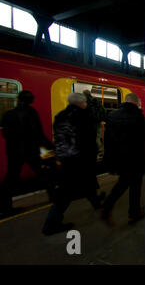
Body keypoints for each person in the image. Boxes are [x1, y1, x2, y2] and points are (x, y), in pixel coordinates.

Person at [42, 93, 103, 235]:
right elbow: (87, 138)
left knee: (88, 183)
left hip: (65, 158)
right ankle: (51, 225)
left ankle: (98, 205)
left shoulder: (60, 116)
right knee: (65, 193)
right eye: (85, 102)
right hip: (79, 159)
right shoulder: (83, 116)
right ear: (82, 103)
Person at [0, 91, 53, 218]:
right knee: (44, 174)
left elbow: (5, 134)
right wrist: (50, 147)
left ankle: (5, 208)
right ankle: (54, 197)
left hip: (14, 151)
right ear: (31, 101)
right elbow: (38, 134)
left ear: (18, 99)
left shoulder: (9, 114)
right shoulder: (32, 113)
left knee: (10, 179)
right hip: (31, 150)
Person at [101, 93, 144, 224]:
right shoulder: (138, 116)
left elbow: (107, 139)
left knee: (123, 182)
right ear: (136, 102)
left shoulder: (112, 116)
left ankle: (109, 207)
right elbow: (142, 140)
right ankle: (132, 213)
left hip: (118, 158)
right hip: (134, 158)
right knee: (134, 185)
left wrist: (108, 158)